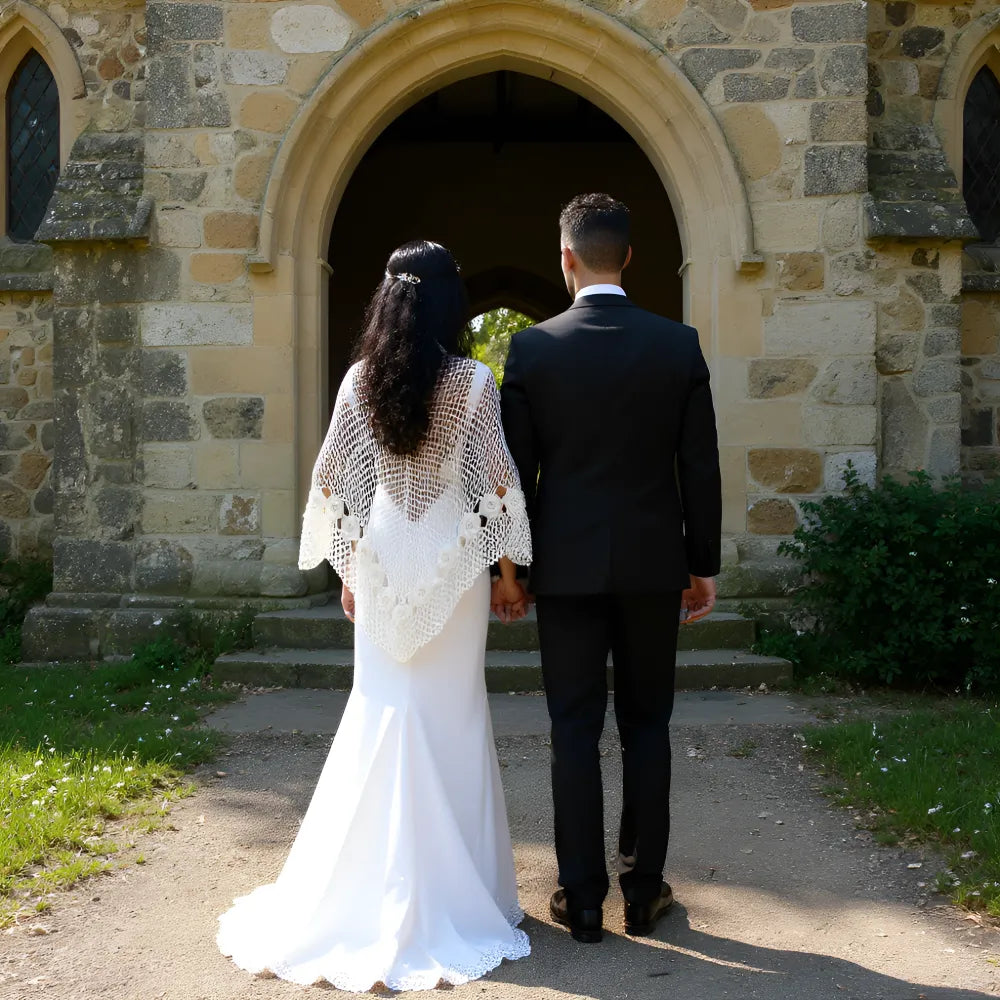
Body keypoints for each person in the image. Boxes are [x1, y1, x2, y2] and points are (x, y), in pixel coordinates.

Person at [217, 241, 533, 990]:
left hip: (387, 555)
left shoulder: (361, 381)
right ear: (452, 302)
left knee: (383, 710)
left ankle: (364, 891)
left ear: (388, 301)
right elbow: (496, 482)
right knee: (453, 718)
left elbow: (331, 485)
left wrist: (353, 569)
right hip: (453, 562)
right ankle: (467, 896)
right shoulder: (474, 381)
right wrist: (509, 576)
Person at [500, 193, 722, 944]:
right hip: (655, 564)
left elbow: (514, 475)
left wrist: (516, 570)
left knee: (572, 727)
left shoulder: (531, 351)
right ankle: (644, 889)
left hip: (564, 567)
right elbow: (701, 467)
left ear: (566, 258)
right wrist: (703, 565)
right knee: (647, 724)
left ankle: (583, 899)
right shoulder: (677, 345)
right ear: (628, 256)